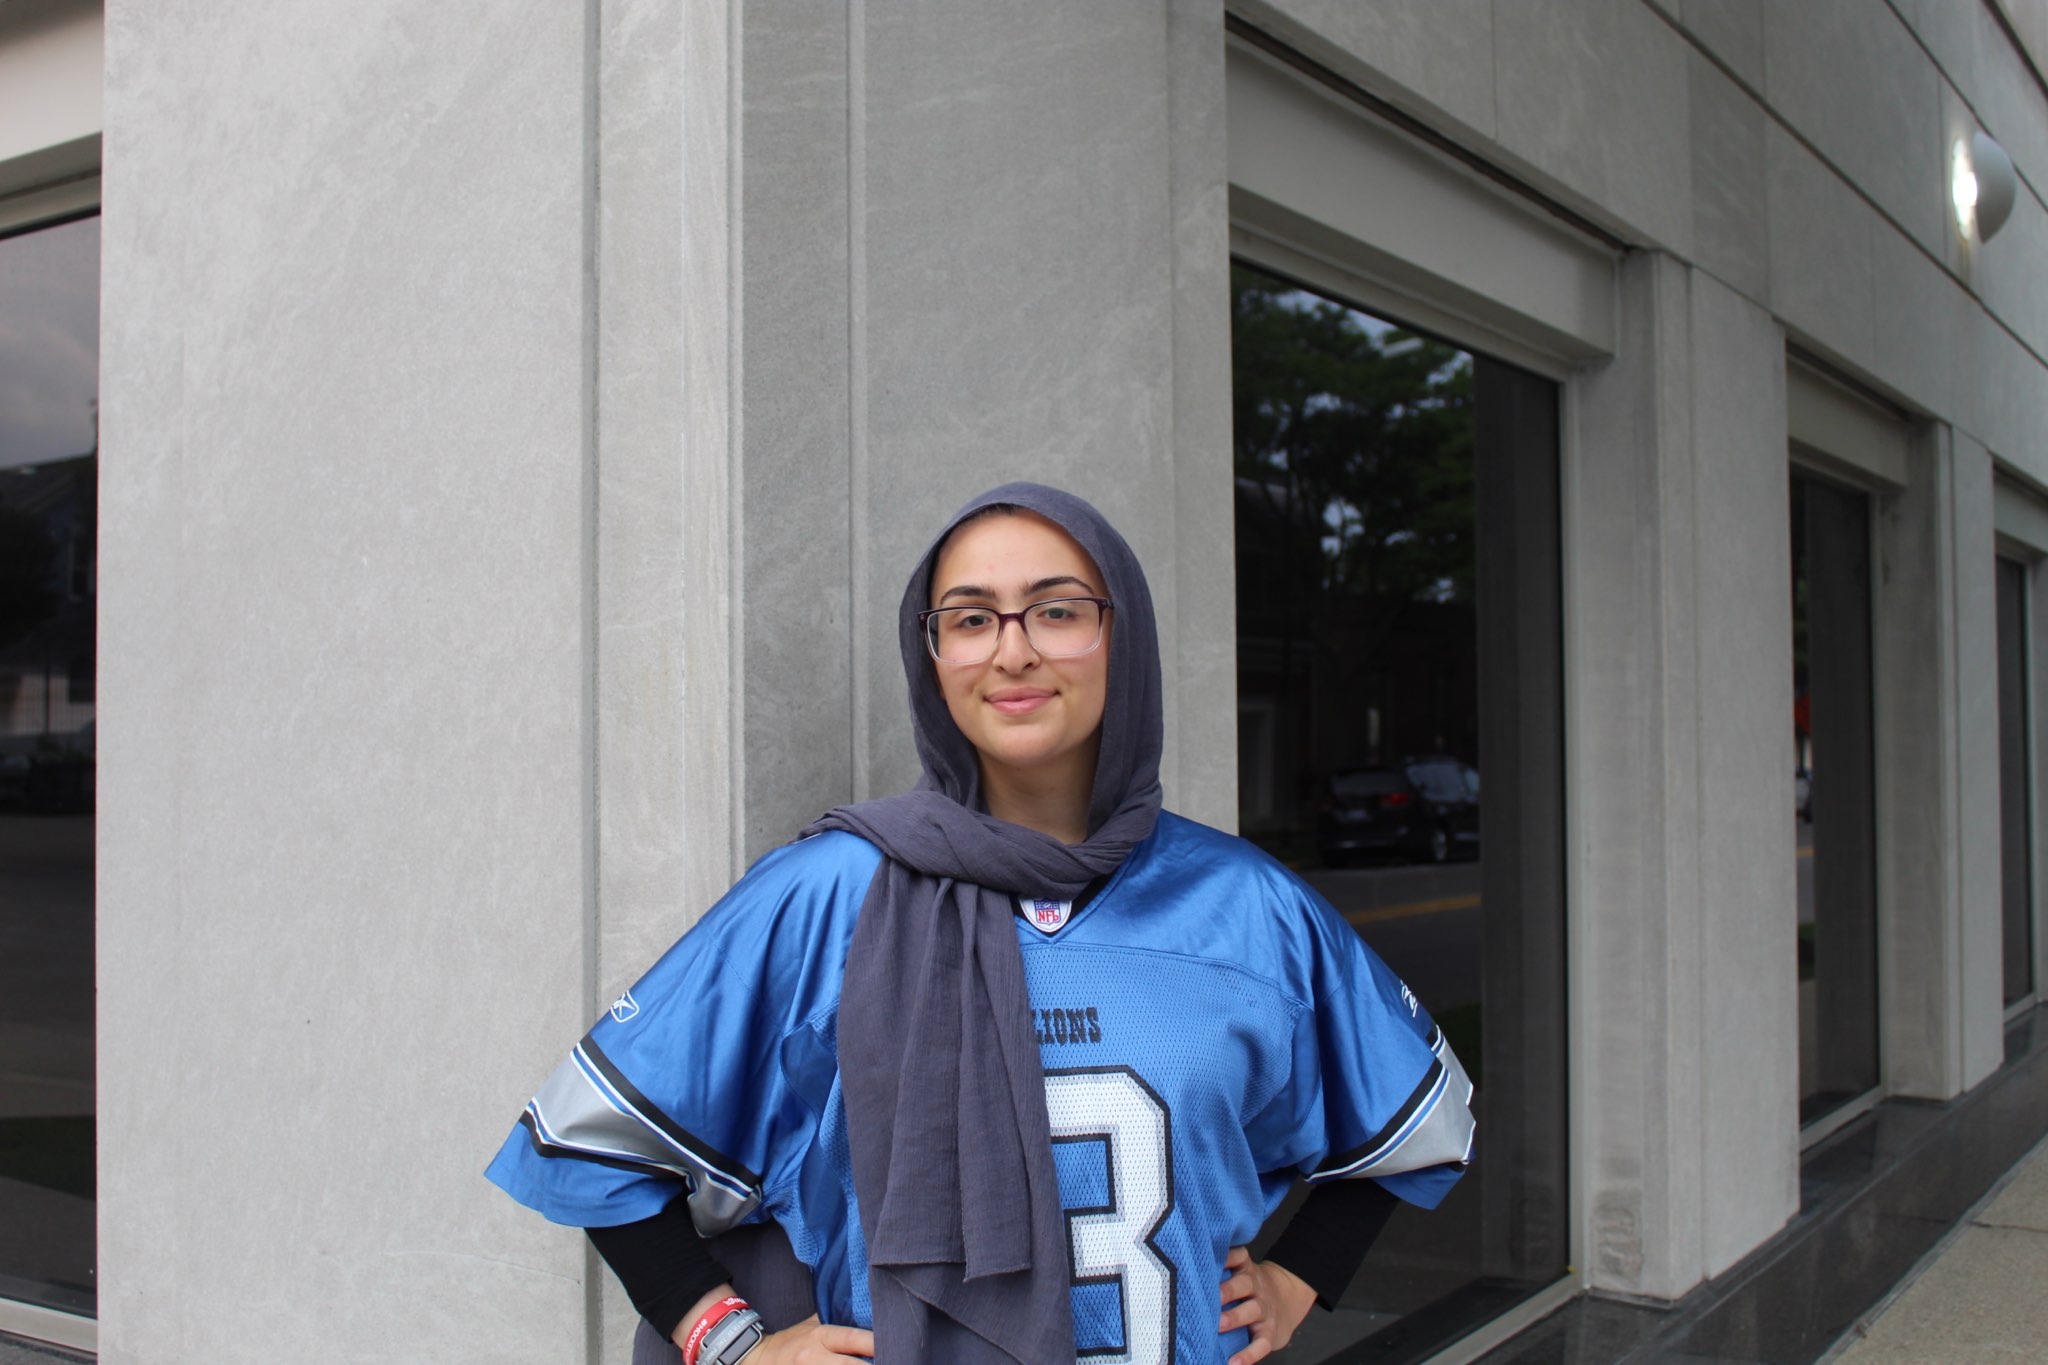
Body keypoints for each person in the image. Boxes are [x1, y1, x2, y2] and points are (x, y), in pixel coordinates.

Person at [487, 483, 1475, 1365]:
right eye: (969, 619)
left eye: (1055, 611)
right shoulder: (828, 892)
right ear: (933, 655)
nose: (1012, 650)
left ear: (1120, 638)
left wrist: (1299, 1278)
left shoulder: (1244, 905)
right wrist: (729, 1343)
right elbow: (589, 1140)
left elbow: (1414, 1118)